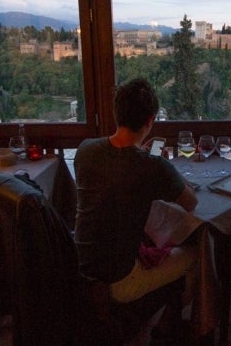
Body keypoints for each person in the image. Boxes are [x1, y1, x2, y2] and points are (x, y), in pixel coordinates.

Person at [73, 78, 197, 342]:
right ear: (150, 120)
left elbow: (116, 175)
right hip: (117, 282)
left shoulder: (85, 150)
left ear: (116, 114)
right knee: (193, 254)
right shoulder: (153, 167)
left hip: (80, 267)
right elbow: (190, 203)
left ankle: (162, 322)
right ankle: (169, 330)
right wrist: (164, 168)